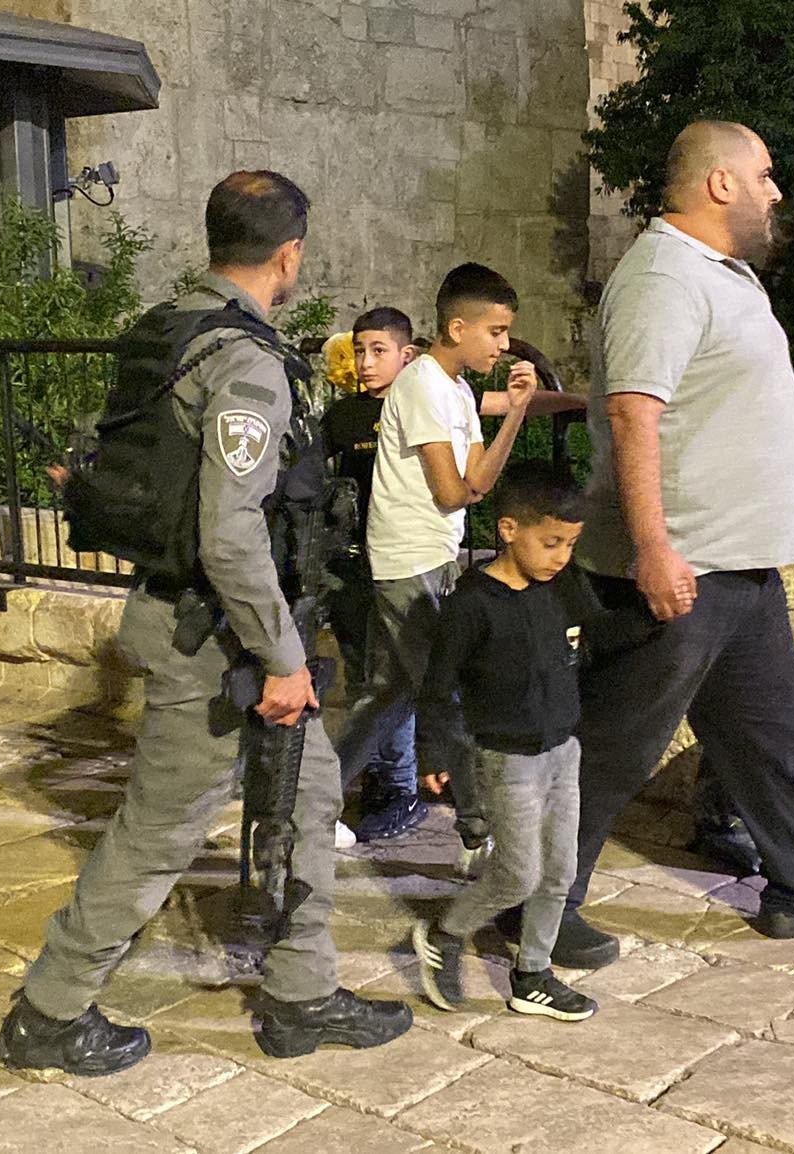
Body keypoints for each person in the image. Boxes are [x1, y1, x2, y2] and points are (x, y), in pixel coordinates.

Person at [0, 171, 412, 1075]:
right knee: (158, 833)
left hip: (212, 623)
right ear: (288, 254)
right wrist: (282, 657)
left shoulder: (169, 329)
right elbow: (229, 532)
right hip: (216, 642)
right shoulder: (245, 361)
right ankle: (48, 1010)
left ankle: (301, 995)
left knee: (310, 799)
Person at [554, 121, 794, 968]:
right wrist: (653, 549)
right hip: (680, 570)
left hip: (738, 569)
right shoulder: (662, 277)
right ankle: (535, 905)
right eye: (765, 175)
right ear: (720, 183)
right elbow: (633, 412)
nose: (775, 191)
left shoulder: (718, 274)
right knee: (613, 748)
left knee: (769, 731)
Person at [340, 263, 543, 878]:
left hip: (434, 556)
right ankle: (477, 830)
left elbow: (478, 481)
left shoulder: (455, 390)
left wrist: (514, 411)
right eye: (496, 332)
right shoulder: (424, 384)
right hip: (408, 561)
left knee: (388, 693)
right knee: (446, 692)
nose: (504, 346)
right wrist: (479, 471)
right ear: (457, 328)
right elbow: (457, 491)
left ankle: (305, 803)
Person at [411, 460, 598, 1022]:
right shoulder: (472, 603)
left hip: (563, 752)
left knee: (560, 871)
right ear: (509, 529)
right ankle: (445, 933)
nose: (561, 556)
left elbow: (599, 634)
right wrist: (432, 751)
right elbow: (437, 684)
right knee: (518, 873)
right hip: (507, 759)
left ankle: (532, 975)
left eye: (570, 544)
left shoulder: (562, 587)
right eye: (551, 543)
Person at [322, 307, 425, 842]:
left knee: (393, 679)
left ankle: (400, 788)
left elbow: (485, 404)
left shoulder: (421, 406)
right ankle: (382, 780)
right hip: (353, 563)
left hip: (403, 559)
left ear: (407, 355)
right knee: (366, 676)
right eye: (359, 350)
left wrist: (531, 402)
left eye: (378, 350)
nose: (365, 362)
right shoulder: (343, 416)